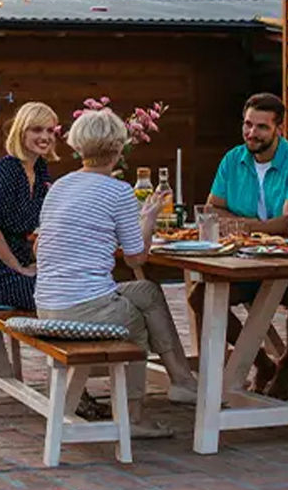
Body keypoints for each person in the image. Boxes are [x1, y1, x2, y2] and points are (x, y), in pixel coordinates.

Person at [35, 108, 199, 428]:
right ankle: (132, 420)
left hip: (48, 305)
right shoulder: (118, 191)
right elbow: (136, 258)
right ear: (119, 148)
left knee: (147, 292)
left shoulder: (60, 186)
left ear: (78, 146)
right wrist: (148, 218)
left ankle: (182, 380)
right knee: (134, 320)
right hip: (82, 309)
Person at [188, 92, 288, 395]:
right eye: (248, 124)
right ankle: (262, 363)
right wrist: (251, 229)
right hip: (248, 259)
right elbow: (213, 208)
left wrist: (239, 225)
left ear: (279, 128)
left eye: (261, 127)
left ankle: (286, 364)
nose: (252, 133)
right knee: (201, 297)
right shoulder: (232, 159)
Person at [0, 101, 58, 310]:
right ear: (21, 132)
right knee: (53, 297)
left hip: (19, 262)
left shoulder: (41, 170)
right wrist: (19, 269)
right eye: (37, 129)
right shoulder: (7, 169)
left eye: (50, 130)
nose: (45, 137)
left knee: (66, 286)